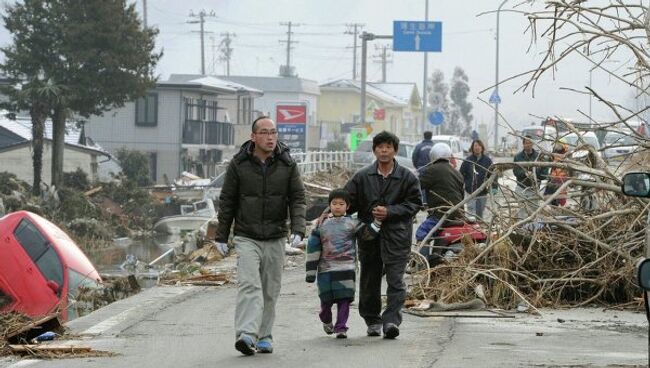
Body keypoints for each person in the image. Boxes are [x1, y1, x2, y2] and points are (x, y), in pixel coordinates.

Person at [215, 116, 306, 356]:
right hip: (247, 235)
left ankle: (264, 335)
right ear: (253, 137)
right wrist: (221, 235)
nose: (270, 137)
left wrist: (298, 229)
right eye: (264, 132)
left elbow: (297, 198)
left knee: (270, 289)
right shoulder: (239, 164)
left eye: (273, 132)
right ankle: (246, 334)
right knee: (249, 284)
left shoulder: (287, 164)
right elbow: (227, 201)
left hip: (276, 235)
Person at [344, 130, 422, 339]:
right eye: (380, 147)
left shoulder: (407, 177)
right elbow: (347, 201)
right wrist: (331, 215)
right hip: (369, 237)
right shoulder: (362, 177)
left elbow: (415, 204)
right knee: (370, 280)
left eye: (388, 147)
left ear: (395, 150)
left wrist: (390, 212)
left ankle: (391, 321)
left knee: (396, 281)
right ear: (375, 150)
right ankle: (372, 320)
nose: (384, 150)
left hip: (397, 237)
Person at [305, 188, 379, 339]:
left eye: (341, 203)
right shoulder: (321, 225)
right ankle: (326, 319)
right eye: (334, 203)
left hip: (346, 268)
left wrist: (377, 223)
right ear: (329, 205)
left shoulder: (352, 223)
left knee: (344, 300)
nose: (337, 206)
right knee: (326, 301)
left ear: (348, 206)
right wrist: (310, 273)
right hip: (326, 270)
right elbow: (313, 248)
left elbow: (366, 235)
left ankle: (341, 327)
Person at [416, 143, 465, 243]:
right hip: (459, 215)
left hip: (440, 215)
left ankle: (421, 258)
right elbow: (462, 195)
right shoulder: (457, 173)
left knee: (421, 233)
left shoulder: (431, 170)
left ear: (432, 156)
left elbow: (415, 186)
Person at [513, 136, 548, 220]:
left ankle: (532, 229)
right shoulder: (518, 157)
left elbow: (545, 174)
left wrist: (535, 174)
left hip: (534, 189)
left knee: (534, 212)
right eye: (526, 143)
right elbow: (515, 172)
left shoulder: (539, 157)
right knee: (522, 211)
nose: (528, 145)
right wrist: (524, 173)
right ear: (523, 144)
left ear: (533, 144)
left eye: (530, 143)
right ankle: (522, 229)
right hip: (521, 187)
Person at [459, 139, 496, 219]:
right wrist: (463, 185)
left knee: (479, 214)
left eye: (479, 146)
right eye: (475, 146)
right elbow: (461, 174)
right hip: (470, 192)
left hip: (482, 192)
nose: (477, 147)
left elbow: (493, 175)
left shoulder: (487, 161)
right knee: (471, 214)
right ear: (472, 148)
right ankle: (471, 230)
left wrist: (494, 187)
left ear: (482, 147)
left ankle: (479, 229)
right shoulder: (468, 160)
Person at [544, 141, 569, 206]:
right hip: (555, 179)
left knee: (560, 198)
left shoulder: (565, 155)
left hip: (561, 179)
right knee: (553, 198)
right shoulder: (555, 154)